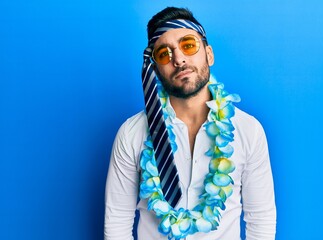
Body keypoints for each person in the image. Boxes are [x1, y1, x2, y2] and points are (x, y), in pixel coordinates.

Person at [104, 6, 276, 240]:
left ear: (209, 54)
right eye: (164, 53)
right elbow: (117, 222)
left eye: (188, 45)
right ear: (155, 68)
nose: (179, 59)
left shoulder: (248, 130)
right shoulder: (131, 134)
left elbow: (261, 220)